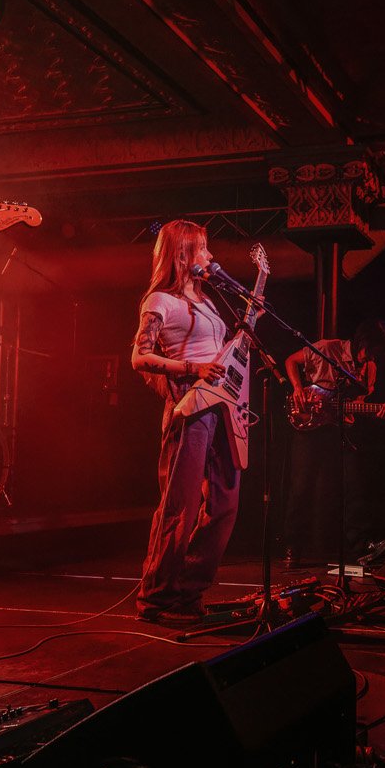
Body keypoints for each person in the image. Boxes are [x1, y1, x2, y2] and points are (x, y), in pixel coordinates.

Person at [131, 220, 248, 621]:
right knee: (180, 506)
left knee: (224, 502)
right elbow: (139, 357)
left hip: (221, 409)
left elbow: (222, 354)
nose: (210, 256)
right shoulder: (160, 301)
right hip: (188, 407)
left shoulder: (210, 302)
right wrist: (191, 368)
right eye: (202, 249)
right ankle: (157, 598)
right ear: (181, 254)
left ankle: (188, 591)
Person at [285, 318, 385, 562]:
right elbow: (291, 361)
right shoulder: (328, 348)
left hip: (340, 428)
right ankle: (293, 544)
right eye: (373, 351)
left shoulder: (370, 368)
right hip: (311, 422)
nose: (373, 358)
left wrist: (379, 412)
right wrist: (297, 388)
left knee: (354, 484)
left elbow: (359, 404)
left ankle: (360, 547)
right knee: (302, 484)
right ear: (363, 342)